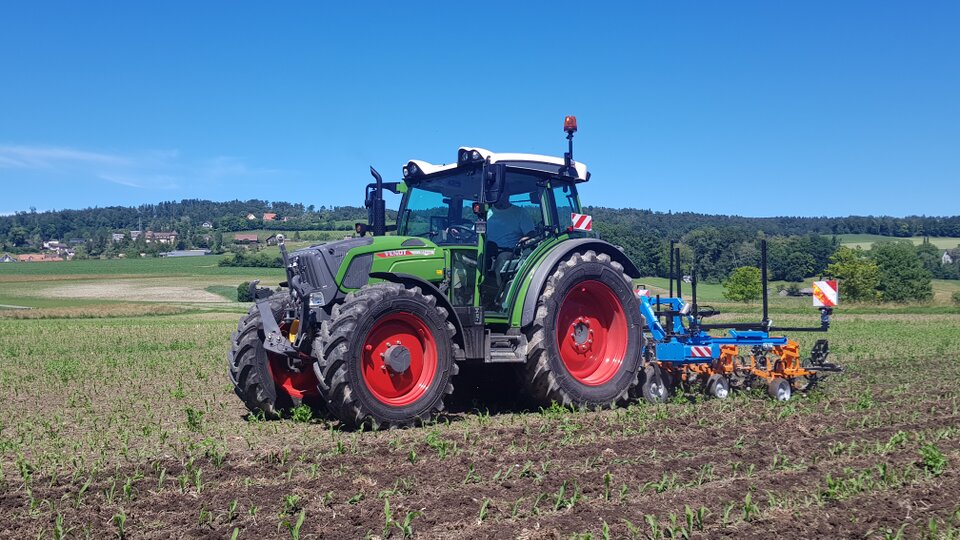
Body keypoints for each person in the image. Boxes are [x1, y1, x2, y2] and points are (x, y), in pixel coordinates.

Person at [485, 197, 536, 296]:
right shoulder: (487, 213)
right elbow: (476, 231)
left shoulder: (519, 212)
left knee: (501, 261)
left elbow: (531, 233)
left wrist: (525, 239)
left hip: (510, 251)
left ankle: (500, 296)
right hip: (488, 249)